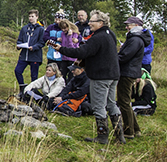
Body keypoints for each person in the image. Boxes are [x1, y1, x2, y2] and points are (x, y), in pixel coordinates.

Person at [53, 10, 124, 144]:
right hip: (113, 75)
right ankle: (119, 136)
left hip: (101, 76)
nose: (89, 23)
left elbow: (82, 52)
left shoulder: (97, 37)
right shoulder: (110, 34)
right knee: (112, 104)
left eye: (92, 21)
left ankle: (102, 136)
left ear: (101, 23)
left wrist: (61, 49)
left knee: (98, 106)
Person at [117, 16, 148, 139]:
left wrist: (113, 58)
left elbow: (125, 56)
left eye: (129, 25)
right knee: (126, 103)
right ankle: (136, 129)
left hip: (127, 72)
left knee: (123, 102)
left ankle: (129, 131)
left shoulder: (135, 40)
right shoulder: (135, 39)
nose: (126, 27)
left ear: (136, 25)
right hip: (129, 71)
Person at [15, 9, 45, 96]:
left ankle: (32, 92)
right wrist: (18, 45)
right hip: (24, 55)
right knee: (17, 71)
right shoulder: (24, 28)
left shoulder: (41, 29)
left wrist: (34, 47)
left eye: (32, 16)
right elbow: (20, 40)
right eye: (29, 16)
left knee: (34, 76)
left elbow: (42, 42)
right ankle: (22, 87)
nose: (31, 18)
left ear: (37, 17)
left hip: (35, 55)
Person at [44, 9, 66, 77]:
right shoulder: (51, 27)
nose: (57, 21)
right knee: (50, 72)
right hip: (51, 54)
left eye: (59, 20)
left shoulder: (64, 28)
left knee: (60, 74)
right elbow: (45, 37)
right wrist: (56, 39)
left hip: (61, 55)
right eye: (56, 19)